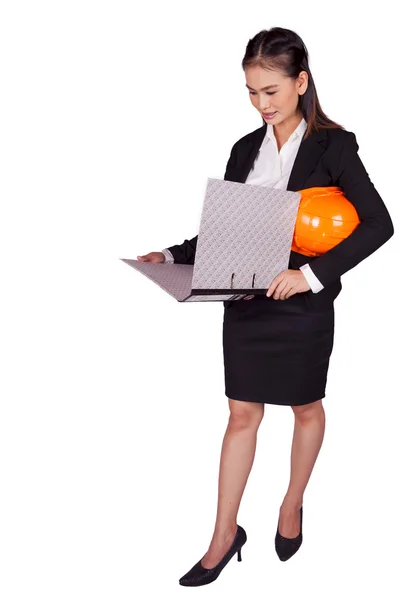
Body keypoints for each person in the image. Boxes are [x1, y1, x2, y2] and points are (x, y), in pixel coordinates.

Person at [137, 27, 394, 586]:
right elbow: (226, 228)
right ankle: (224, 535)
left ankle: (291, 505)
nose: (262, 105)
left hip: (302, 306)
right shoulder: (243, 149)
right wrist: (172, 253)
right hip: (247, 301)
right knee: (240, 415)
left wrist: (310, 275)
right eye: (252, 92)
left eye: (272, 91)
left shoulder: (335, 145)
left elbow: (380, 225)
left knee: (305, 408)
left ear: (301, 82)